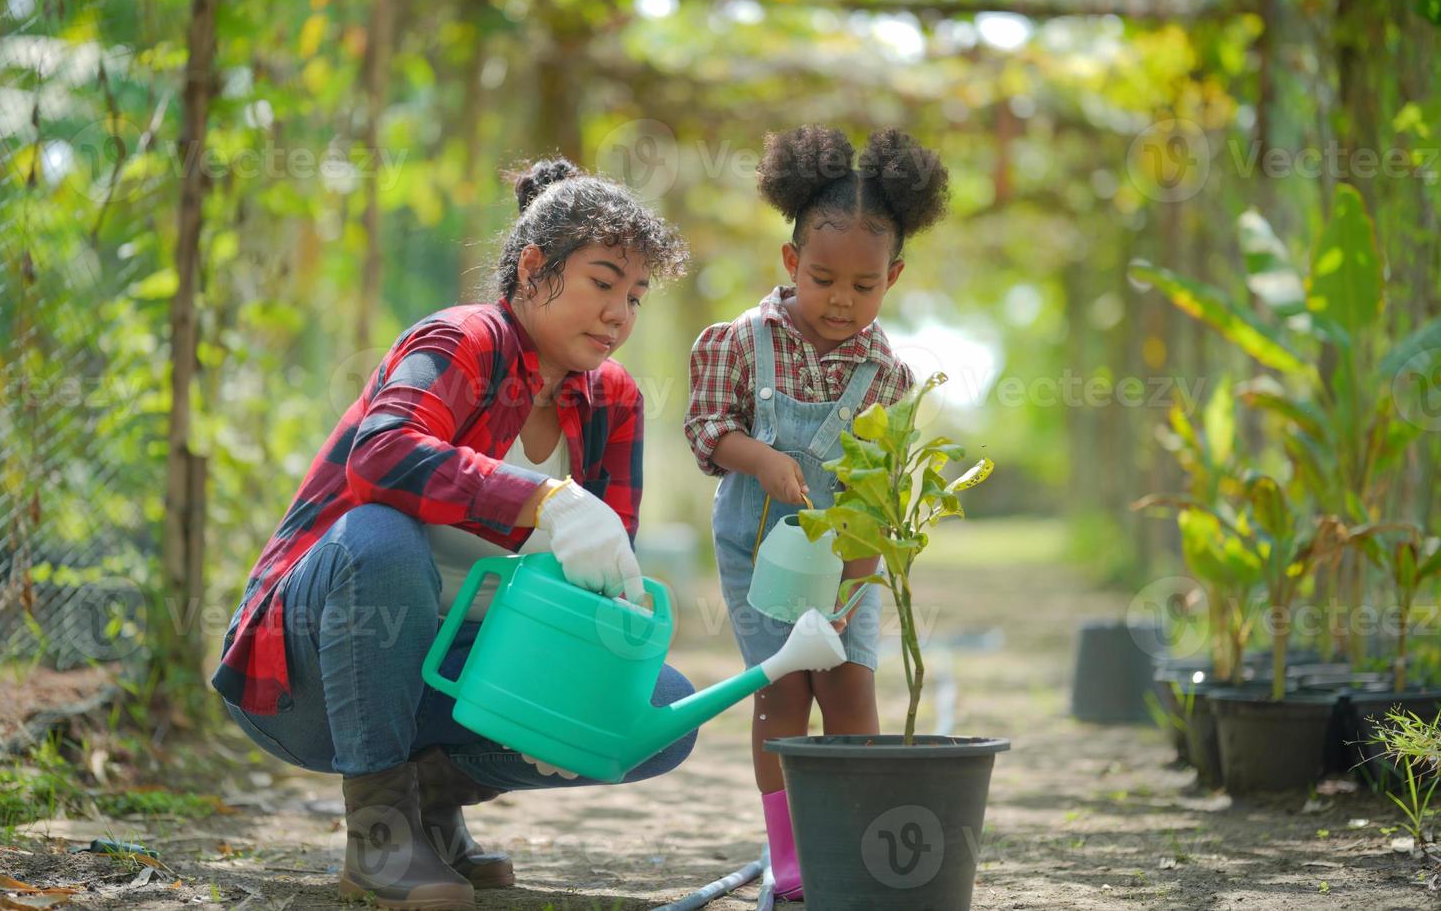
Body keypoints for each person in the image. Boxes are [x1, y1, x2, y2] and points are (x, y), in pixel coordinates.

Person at [212, 159, 691, 910]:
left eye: (634, 295)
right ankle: (378, 832)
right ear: (535, 269)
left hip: (456, 676)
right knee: (379, 535)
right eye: (602, 283)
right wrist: (545, 499)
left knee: (656, 710)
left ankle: (429, 804)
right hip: (313, 675)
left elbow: (594, 579)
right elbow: (382, 455)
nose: (620, 313)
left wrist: (576, 682)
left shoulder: (614, 400)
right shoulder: (464, 342)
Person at [682, 125, 949, 900]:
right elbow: (706, 427)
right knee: (783, 691)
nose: (842, 300)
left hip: (847, 565)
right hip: (757, 551)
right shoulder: (740, 343)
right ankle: (790, 849)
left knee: (851, 686)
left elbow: (875, 492)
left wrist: (852, 593)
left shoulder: (885, 376)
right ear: (791, 261)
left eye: (864, 288)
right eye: (824, 278)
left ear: (892, 279)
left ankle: (853, 834)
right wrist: (758, 458)